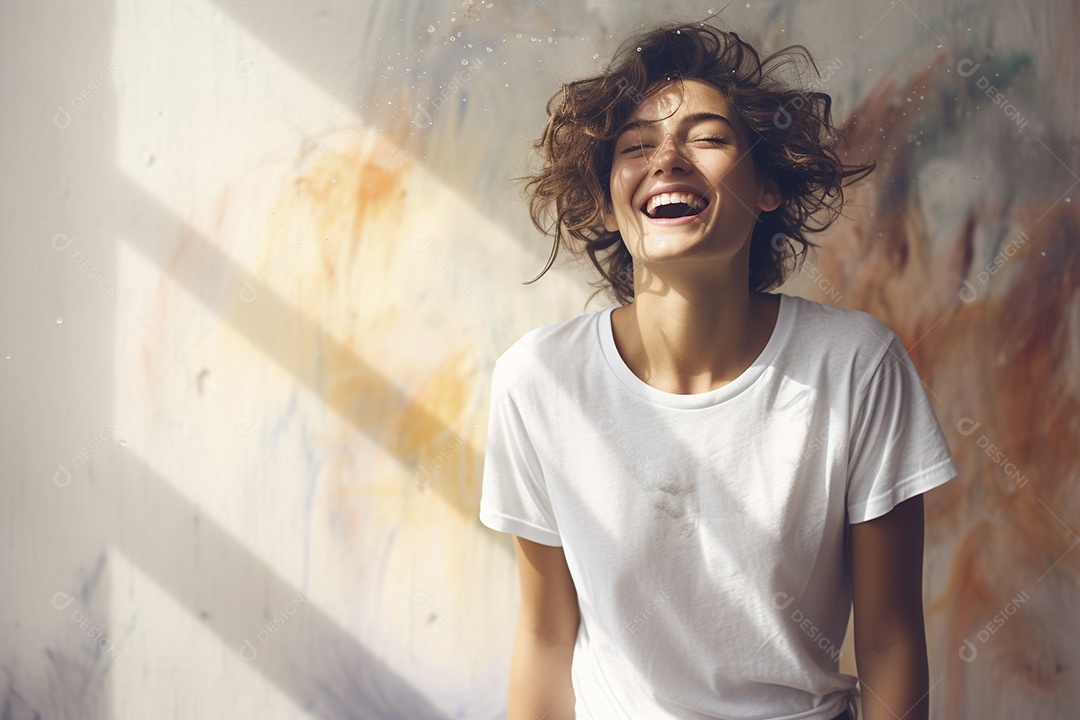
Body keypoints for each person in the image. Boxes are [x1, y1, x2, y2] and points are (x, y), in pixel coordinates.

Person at [479, 19, 958, 720]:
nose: (667, 159)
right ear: (611, 200)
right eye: (636, 146)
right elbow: (547, 636)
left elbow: (888, 641)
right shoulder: (540, 382)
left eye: (706, 137)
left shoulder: (857, 367)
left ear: (767, 187)